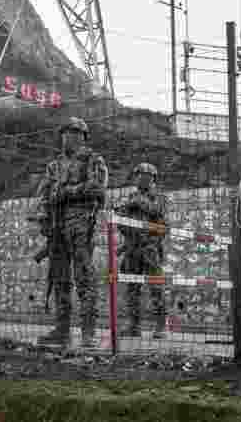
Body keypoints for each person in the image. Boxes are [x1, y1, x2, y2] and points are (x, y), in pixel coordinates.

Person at [35, 117, 109, 349]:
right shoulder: (54, 166)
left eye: (75, 133)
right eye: (66, 133)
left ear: (83, 137)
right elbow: (44, 195)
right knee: (60, 280)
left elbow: (97, 187)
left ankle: (89, 332)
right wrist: (44, 219)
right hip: (57, 225)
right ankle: (62, 329)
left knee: (84, 277)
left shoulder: (92, 160)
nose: (69, 137)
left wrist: (67, 191)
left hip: (81, 222)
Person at [116, 162, 168, 339]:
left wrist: (137, 202)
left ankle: (161, 325)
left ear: (153, 179)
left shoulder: (158, 197)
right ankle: (134, 325)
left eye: (147, 176)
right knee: (132, 288)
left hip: (151, 247)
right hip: (132, 247)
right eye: (139, 175)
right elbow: (121, 221)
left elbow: (157, 211)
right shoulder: (130, 197)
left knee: (156, 286)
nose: (142, 179)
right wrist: (122, 216)